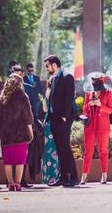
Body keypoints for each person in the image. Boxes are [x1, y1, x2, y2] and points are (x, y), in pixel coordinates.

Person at [0, 74, 34, 191]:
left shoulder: (0, 98)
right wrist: (30, 131)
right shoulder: (22, 96)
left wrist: (1, 131)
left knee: (8, 161)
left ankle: (10, 183)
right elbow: (28, 116)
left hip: (6, 135)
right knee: (20, 161)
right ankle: (17, 183)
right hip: (21, 134)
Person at [44, 55, 78, 187]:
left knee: (65, 147)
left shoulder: (67, 76)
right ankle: (63, 178)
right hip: (54, 118)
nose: (47, 69)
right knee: (59, 149)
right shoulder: (53, 79)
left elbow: (69, 97)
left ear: (54, 65)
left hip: (64, 118)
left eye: (48, 66)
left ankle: (73, 177)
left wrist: (64, 115)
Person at [81, 75, 112, 185]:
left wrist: (101, 105)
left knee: (103, 150)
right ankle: (84, 175)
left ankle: (104, 174)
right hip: (90, 125)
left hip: (103, 126)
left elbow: (110, 110)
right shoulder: (88, 93)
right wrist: (90, 104)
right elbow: (84, 109)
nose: (96, 90)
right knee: (88, 151)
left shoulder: (108, 93)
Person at [41, 75, 60, 186]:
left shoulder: (48, 92)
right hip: (55, 122)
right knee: (56, 151)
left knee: (47, 151)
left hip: (47, 123)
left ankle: (46, 178)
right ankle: (56, 177)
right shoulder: (56, 93)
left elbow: (44, 108)